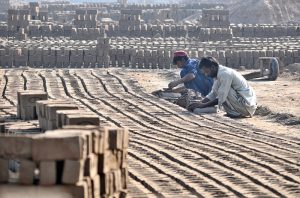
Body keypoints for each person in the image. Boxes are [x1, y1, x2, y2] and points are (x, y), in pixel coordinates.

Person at [188, 57, 257, 118]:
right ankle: (234, 112)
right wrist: (200, 103)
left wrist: (203, 105)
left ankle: (237, 113)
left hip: (247, 106)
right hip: (241, 103)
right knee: (221, 90)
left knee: (225, 91)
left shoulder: (225, 74)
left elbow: (221, 96)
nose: (206, 75)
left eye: (207, 72)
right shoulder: (218, 74)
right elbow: (213, 94)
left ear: (212, 67)